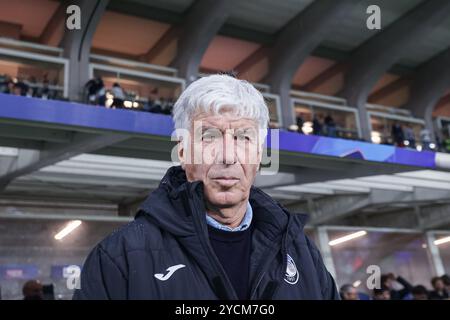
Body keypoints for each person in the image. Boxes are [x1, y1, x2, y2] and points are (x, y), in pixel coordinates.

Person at [73, 74, 339, 300]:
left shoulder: (302, 253)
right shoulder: (120, 257)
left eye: (243, 137)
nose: (228, 156)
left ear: (259, 155)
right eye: (209, 137)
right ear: (182, 151)